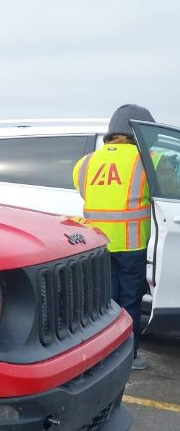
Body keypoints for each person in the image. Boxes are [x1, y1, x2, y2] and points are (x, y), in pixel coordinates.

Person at [73, 104, 155, 370]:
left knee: (105, 304)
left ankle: (105, 355)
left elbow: (84, 192)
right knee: (130, 302)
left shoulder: (86, 163)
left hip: (98, 245)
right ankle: (128, 356)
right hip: (132, 244)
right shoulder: (147, 159)